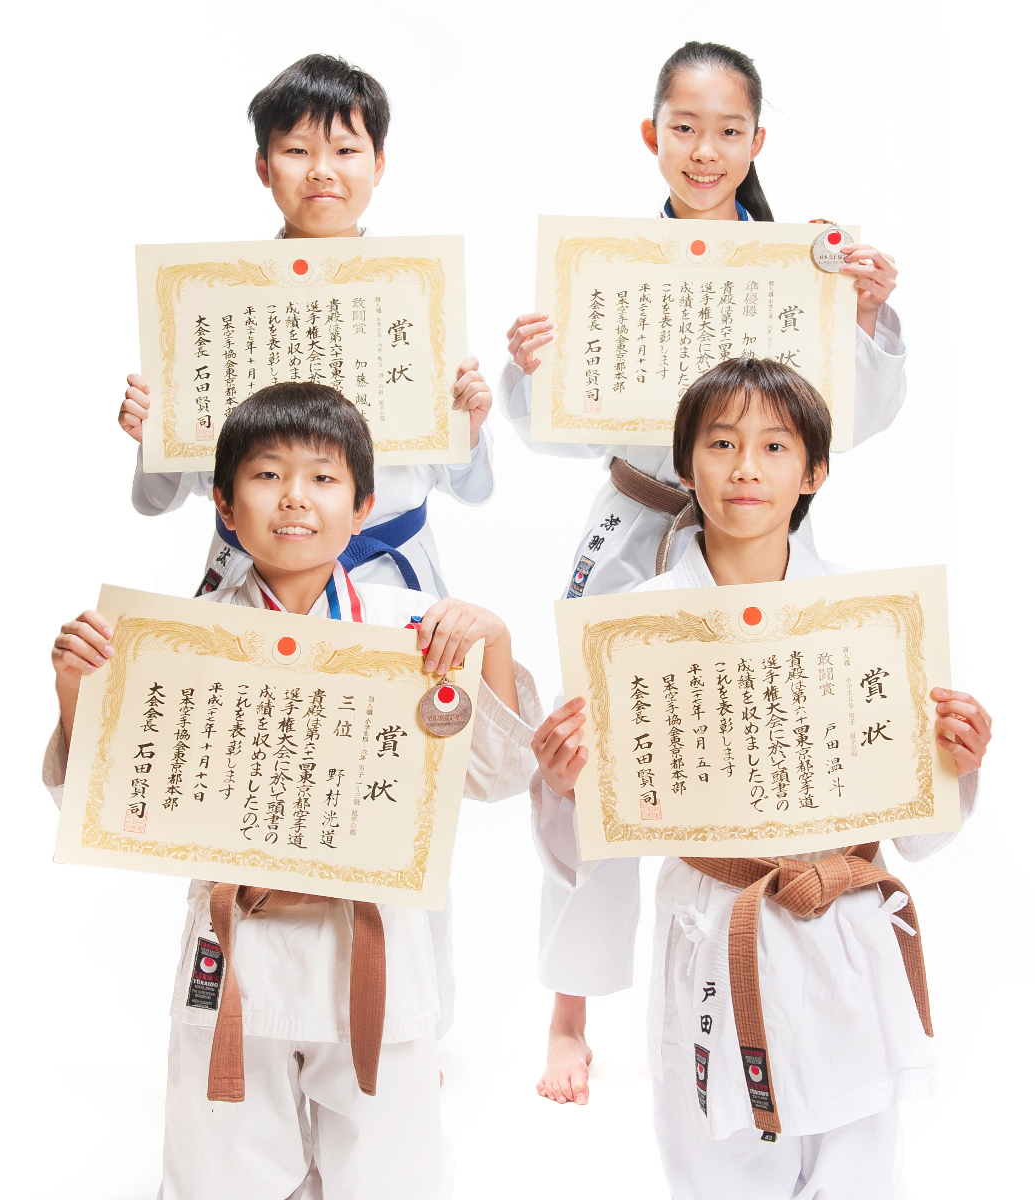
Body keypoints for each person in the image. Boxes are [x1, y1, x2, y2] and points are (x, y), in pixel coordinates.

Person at [504, 39, 909, 1103]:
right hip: (633, 529)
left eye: (728, 131)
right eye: (683, 128)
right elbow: (550, 428)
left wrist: (863, 318)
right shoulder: (607, 266)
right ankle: (568, 1008)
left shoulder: (799, 262)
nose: (704, 150)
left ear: (756, 141)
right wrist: (532, 364)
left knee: (752, 747)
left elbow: (847, 420)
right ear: (651, 135)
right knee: (589, 760)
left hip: (756, 539)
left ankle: (765, 953)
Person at [44, 383, 542, 1200]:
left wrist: (492, 642)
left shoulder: (416, 628)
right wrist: (78, 693)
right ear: (223, 505)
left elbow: (501, 776)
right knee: (219, 1172)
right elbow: (98, 811)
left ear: (363, 504)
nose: (295, 498)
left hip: (377, 947)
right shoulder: (181, 641)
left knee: (393, 1175)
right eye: (267, 475)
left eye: (323, 477)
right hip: (235, 943)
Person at [529, 357, 990, 1198]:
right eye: (720, 443)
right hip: (714, 924)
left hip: (845, 929)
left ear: (813, 472)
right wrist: (566, 786)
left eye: (774, 446)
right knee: (719, 1170)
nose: (745, 466)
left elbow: (920, 834)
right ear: (683, 467)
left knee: (858, 1168)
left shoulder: (870, 619)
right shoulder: (626, 634)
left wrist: (956, 761)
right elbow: (597, 839)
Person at [119, 53, 494, 603]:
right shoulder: (213, 302)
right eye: (297, 151)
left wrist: (469, 428)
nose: (322, 170)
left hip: (383, 580)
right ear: (263, 166)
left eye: (345, 151)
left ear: (378, 164)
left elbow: (475, 490)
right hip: (249, 577)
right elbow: (155, 500)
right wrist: (152, 433)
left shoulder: (417, 294)